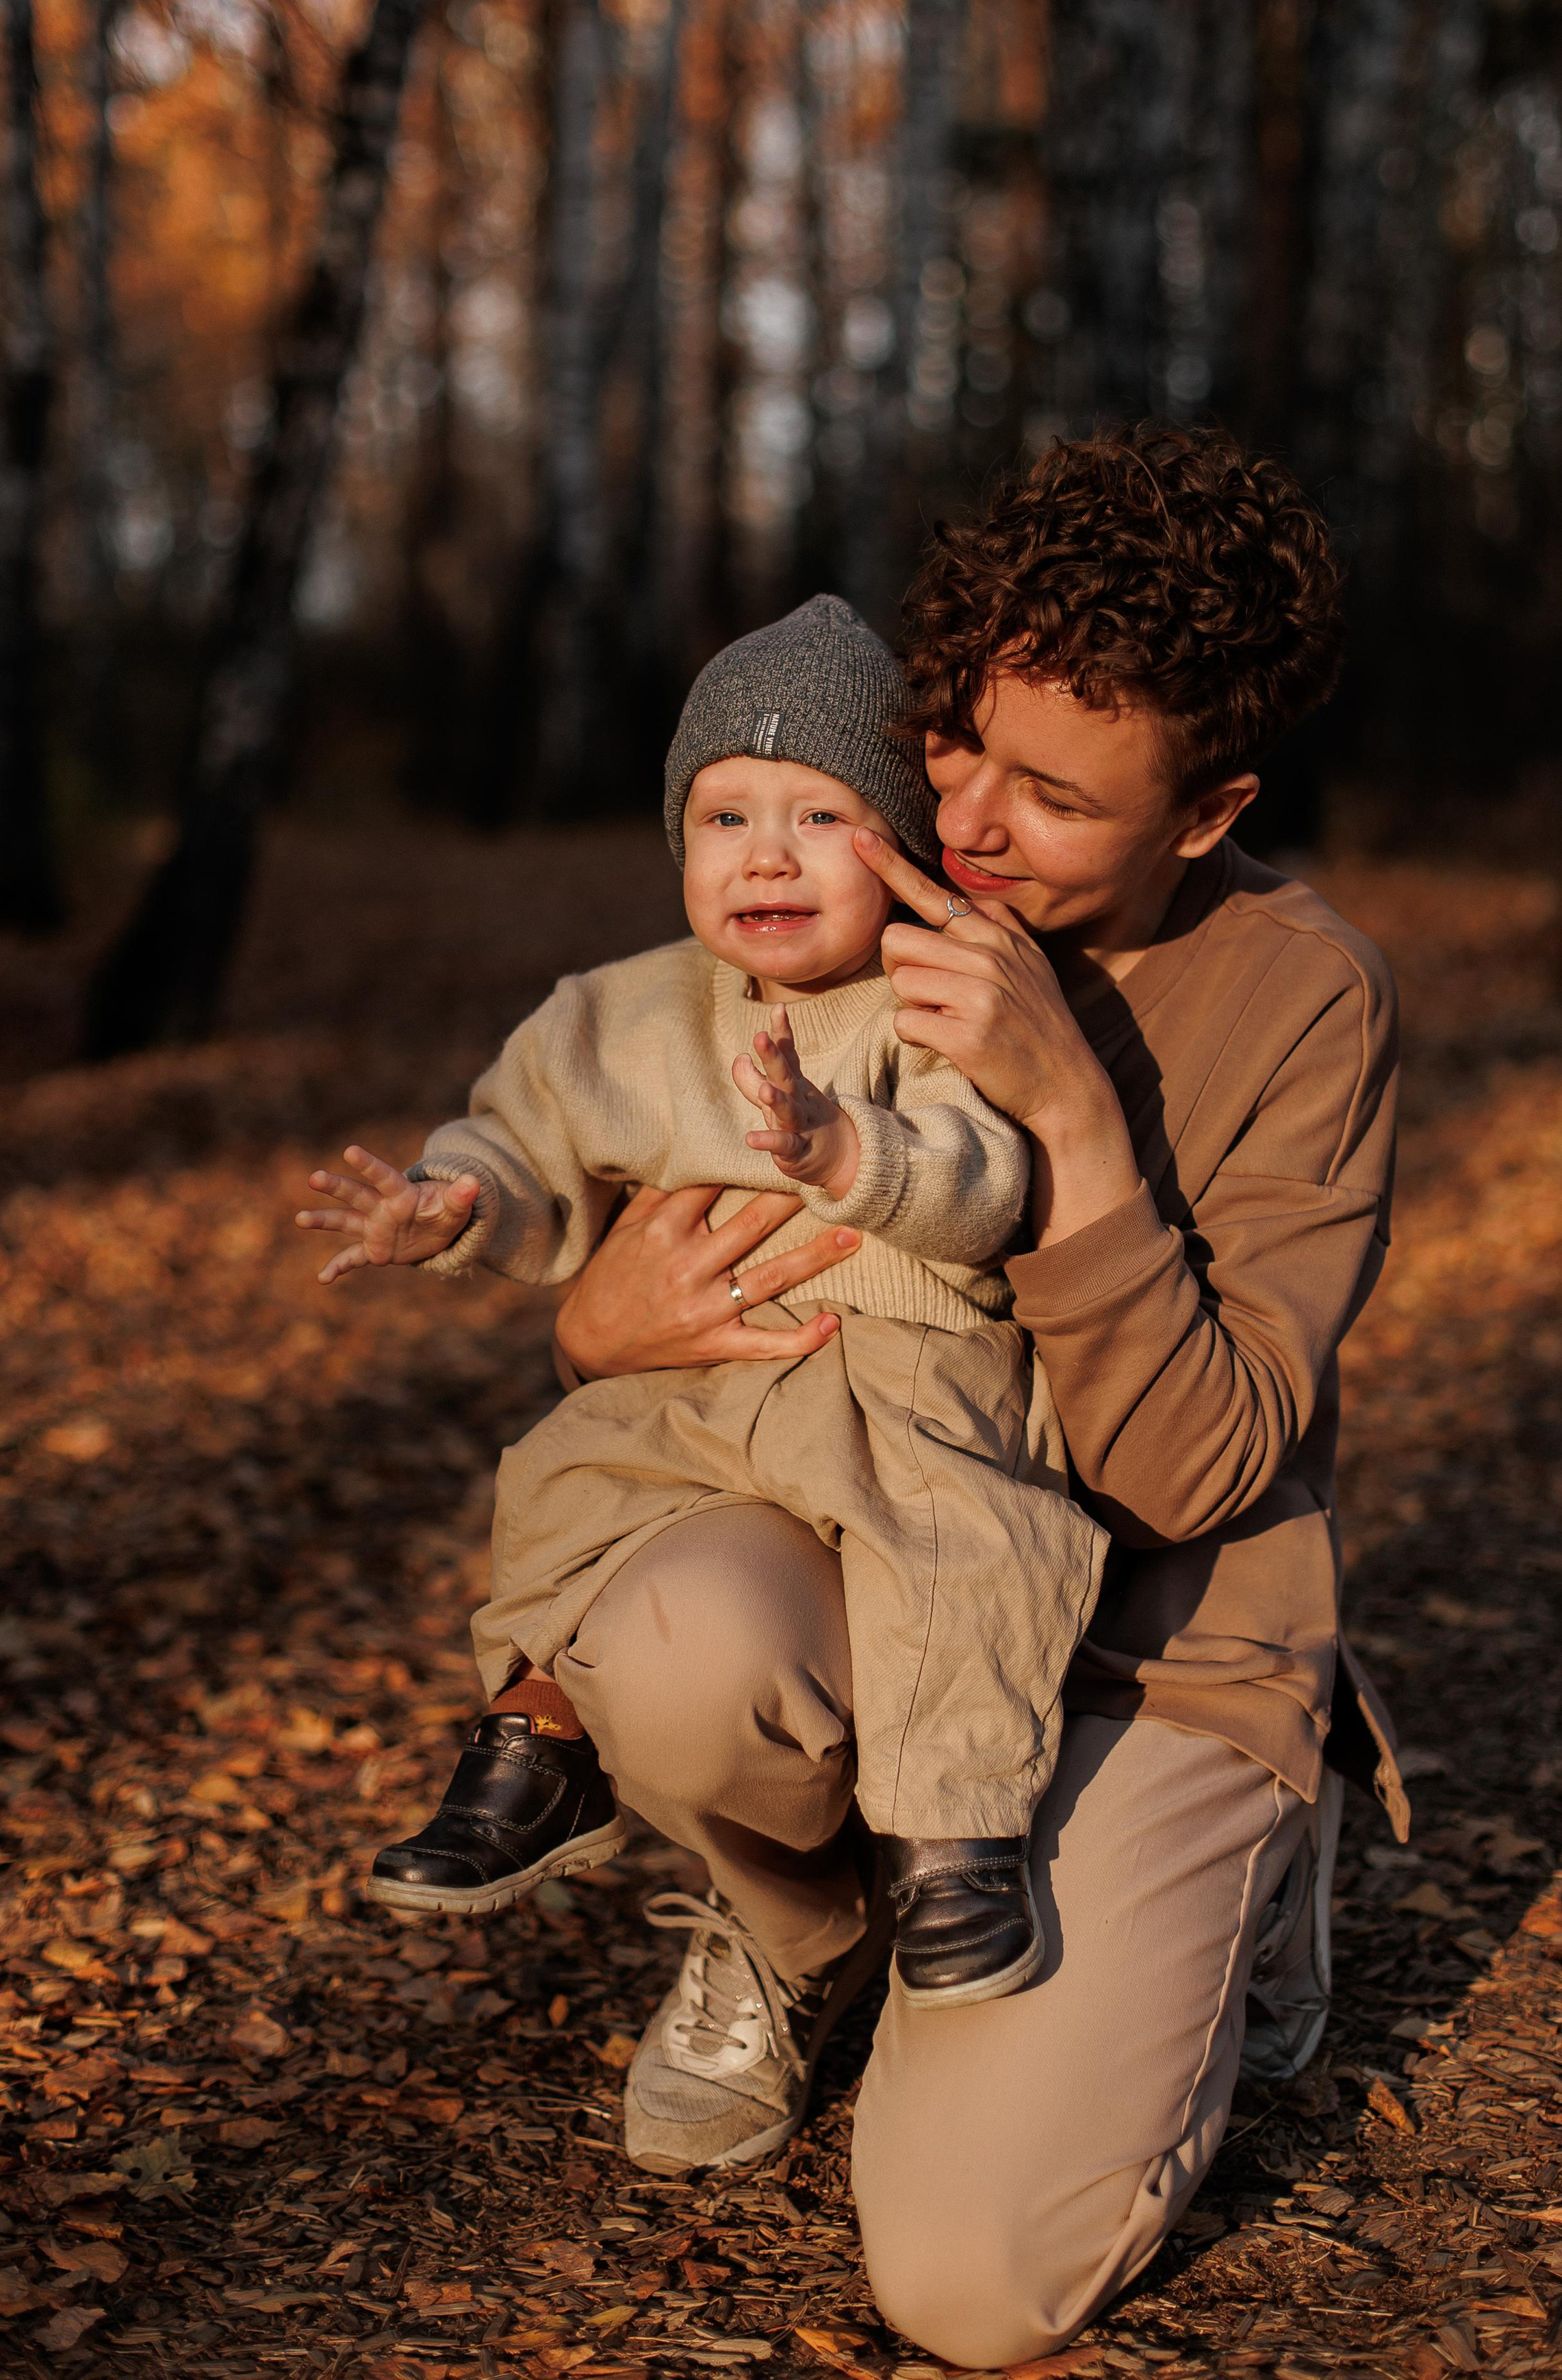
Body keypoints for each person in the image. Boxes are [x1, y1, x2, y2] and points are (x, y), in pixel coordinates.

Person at [536, 426, 1407, 2365]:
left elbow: (1199, 1474)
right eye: (962, 747)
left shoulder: (1305, 999)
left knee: (967, 2283)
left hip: (1156, 1647)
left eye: (1061, 797)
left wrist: (1078, 1127)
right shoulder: (847, 876)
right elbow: (642, 1262)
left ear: (1208, 809)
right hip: (891, 1558)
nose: (977, 826)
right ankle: (807, 1929)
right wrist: (599, 1321)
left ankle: (1261, 1847)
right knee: (665, 1635)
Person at [296, 598, 1108, 2063]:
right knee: (558, 1483)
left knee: (957, 1554)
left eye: (817, 815)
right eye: (724, 815)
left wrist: (843, 1151)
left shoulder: (937, 999)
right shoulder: (617, 1014)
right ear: (676, 840)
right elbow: (517, 1135)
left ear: (903, 847)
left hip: (897, 1372)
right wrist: (449, 1203)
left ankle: (949, 1840)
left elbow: (988, 1180)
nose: (766, 855)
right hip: (698, 1382)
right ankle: (536, 1742)